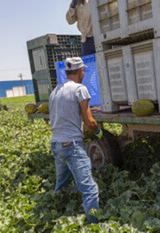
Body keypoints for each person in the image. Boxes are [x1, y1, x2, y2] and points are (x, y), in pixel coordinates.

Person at [49, 57, 103, 223]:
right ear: (81, 71)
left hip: (56, 144)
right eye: (83, 71)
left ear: (66, 72)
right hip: (71, 145)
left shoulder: (55, 91)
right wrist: (99, 132)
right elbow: (89, 122)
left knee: (62, 185)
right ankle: (94, 225)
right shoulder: (80, 89)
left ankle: (57, 217)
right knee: (90, 189)